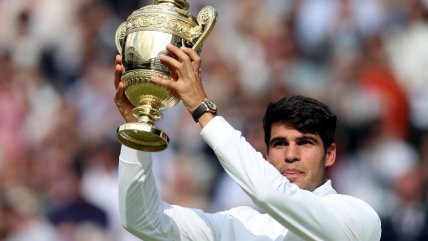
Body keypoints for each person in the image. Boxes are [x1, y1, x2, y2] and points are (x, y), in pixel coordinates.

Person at [113, 44, 381, 241]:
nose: (290, 155)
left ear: (330, 154)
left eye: (305, 143)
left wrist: (203, 111)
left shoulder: (357, 217)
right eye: (279, 144)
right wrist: (139, 129)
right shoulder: (241, 225)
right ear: (266, 154)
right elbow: (143, 221)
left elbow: (270, 194)